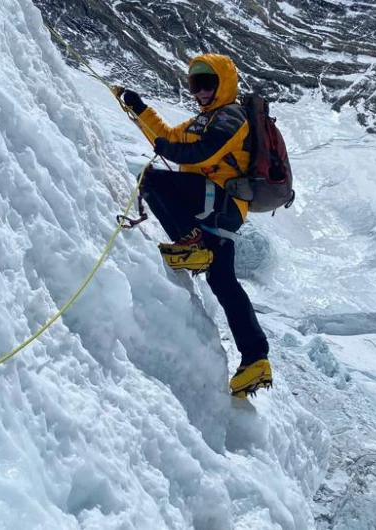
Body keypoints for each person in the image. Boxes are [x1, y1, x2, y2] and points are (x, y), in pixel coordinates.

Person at [113, 54, 271, 397]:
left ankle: (192, 244)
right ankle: (254, 360)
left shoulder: (231, 118)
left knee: (151, 180)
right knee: (224, 282)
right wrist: (138, 109)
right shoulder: (206, 119)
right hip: (217, 213)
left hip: (218, 204)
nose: (200, 92)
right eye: (195, 84)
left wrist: (167, 147)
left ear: (224, 83)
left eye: (207, 83)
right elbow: (169, 135)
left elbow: (199, 153)